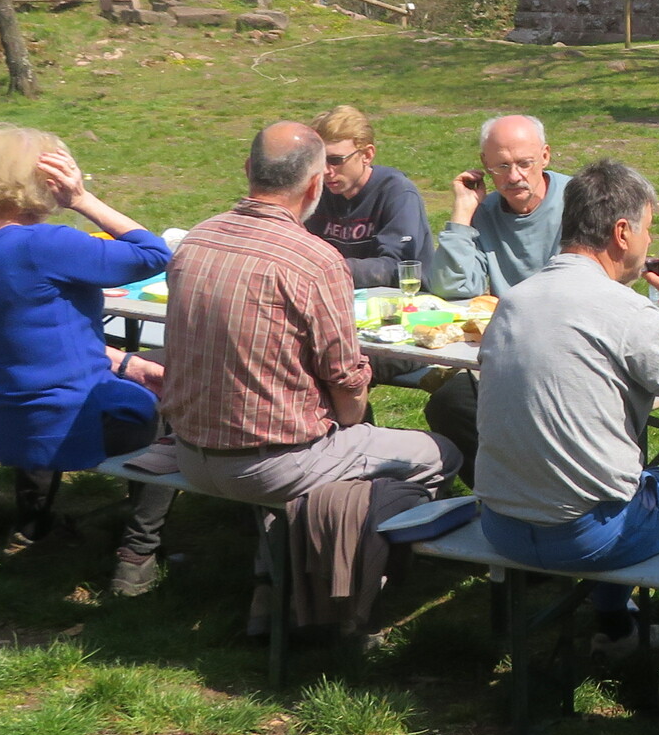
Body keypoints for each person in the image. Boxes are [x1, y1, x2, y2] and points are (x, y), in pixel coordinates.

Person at [469, 159, 659, 716]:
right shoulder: (627, 311)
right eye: (647, 229)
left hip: (502, 523)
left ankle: (616, 629)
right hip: (583, 535)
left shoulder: (515, 300)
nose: (648, 244)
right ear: (622, 232)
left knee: (624, 481)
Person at [158, 122, 457, 507]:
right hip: (277, 464)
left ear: (248, 168)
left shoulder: (196, 240)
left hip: (189, 452)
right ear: (316, 185)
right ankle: (360, 539)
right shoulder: (316, 261)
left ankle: (307, 531)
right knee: (441, 452)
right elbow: (348, 392)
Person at [0, 128, 180, 591]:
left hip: (5, 418)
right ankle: (136, 553)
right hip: (66, 425)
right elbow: (156, 255)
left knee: (118, 380)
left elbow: (40, 339)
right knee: (175, 412)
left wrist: (124, 363)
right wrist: (82, 199)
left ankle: (32, 527)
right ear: (47, 178)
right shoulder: (46, 244)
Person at [424, 113, 569, 466]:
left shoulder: (580, 201)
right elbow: (452, 287)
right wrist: (463, 212)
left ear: (545, 156)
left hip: (566, 347)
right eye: (502, 166)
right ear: (484, 165)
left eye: (525, 163)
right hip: (504, 353)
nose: (514, 176)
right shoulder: (485, 210)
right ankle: (498, 488)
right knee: (448, 405)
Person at [305, 105, 430, 289]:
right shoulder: (317, 192)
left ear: (367, 155)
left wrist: (332, 270)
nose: (325, 170)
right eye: (319, 159)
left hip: (397, 299)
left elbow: (397, 267)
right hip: (336, 292)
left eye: (335, 160)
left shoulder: (397, 192)